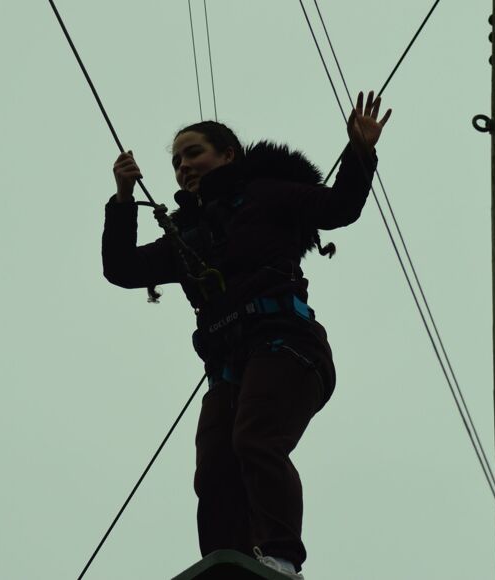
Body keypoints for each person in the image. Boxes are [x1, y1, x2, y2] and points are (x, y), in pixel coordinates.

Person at [102, 91, 391, 578]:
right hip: (230, 363)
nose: (183, 167)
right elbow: (123, 268)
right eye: (176, 162)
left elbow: (340, 207)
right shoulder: (185, 237)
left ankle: (281, 558)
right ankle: (229, 564)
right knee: (215, 468)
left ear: (228, 155)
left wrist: (361, 151)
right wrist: (123, 198)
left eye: (194, 153)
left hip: (288, 345)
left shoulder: (266, 193)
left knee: (255, 440)